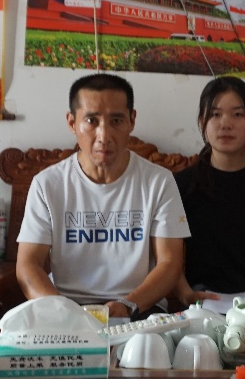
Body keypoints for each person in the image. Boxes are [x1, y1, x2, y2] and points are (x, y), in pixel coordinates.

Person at [16, 73, 190, 320]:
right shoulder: (47, 185)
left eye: (116, 120)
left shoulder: (159, 181)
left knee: (146, 343)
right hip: (67, 309)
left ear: (132, 120)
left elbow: (170, 263)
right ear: (72, 122)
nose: (104, 135)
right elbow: (28, 266)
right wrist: (63, 311)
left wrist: (127, 305)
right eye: (91, 120)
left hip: (138, 307)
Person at [173, 78, 245, 304]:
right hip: (204, 298)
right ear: (202, 122)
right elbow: (168, 257)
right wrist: (187, 296)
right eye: (215, 114)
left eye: (237, 114)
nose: (226, 124)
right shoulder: (181, 184)